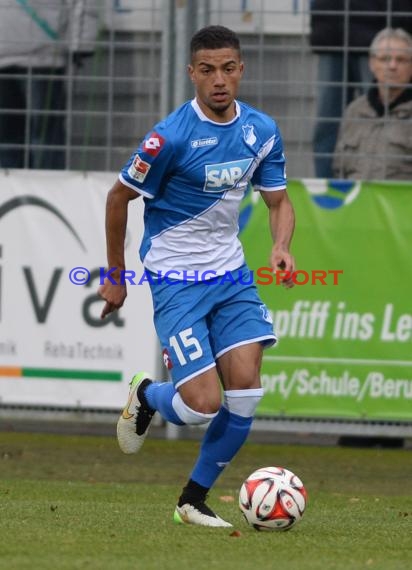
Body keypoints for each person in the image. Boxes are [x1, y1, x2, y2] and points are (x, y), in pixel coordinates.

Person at [98, 25, 295, 528]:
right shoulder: (170, 137)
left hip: (230, 275)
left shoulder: (261, 130)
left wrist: (280, 245)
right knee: (201, 405)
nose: (219, 79)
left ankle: (192, 500)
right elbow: (119, 197)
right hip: (176, 277)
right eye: (207, 70)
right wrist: (116, 275)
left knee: (247, 391)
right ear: (192, 74)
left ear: (241, 69)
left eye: (228, 68)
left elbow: (278, 201)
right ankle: (147, 394)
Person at [309, 0, 412, 178]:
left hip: (376, 27)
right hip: (332, 31)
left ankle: (382, 189)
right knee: (330, 126)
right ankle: (328, 197)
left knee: (381, 116)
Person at [0, 0, 99, 169]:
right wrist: (81, 43)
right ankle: (48, 190)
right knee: (45, 138)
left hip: (40, 57)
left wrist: (81, 43)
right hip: (46, 54)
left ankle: (8, 190)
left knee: (9, 138)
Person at [333, 27, 412, 180]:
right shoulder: (354, 111)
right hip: (356, 201)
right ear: (372, 64)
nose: (392, 66)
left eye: (401, 60)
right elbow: (338, 168)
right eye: (385, 59)